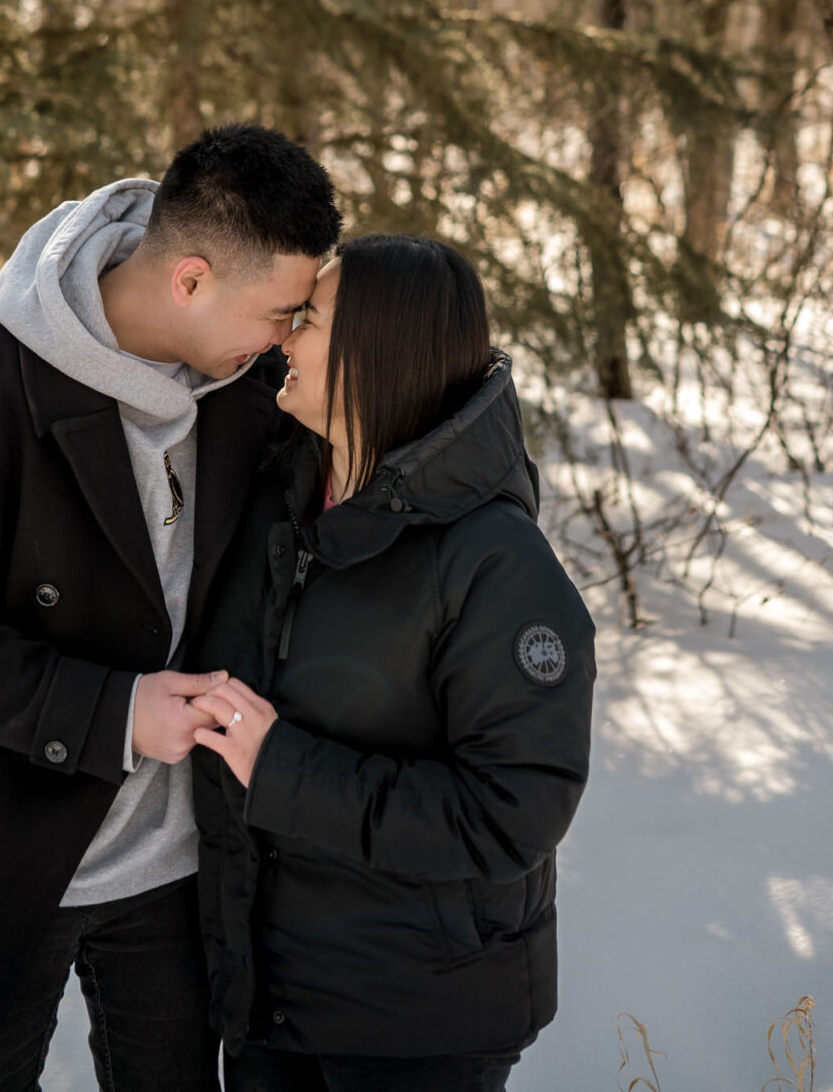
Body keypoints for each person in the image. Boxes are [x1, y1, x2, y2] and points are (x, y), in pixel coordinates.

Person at [0, 123, 342, 1092]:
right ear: (188, 280)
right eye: (279, 311)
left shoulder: (249, 389)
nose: (287, 337)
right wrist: (115, 713)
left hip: (178, 865)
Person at [186, 233, 596, 1092]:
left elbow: (509, 816)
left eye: (310, 320)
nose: (283, 340)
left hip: (418, 1027)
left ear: (378, 351)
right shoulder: (286, 509)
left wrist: (283, 771)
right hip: (270, 1010)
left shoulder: (494, 562)